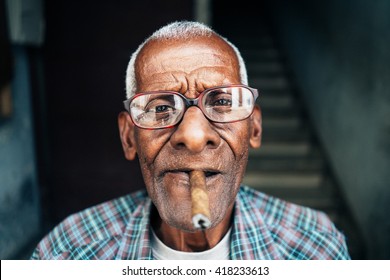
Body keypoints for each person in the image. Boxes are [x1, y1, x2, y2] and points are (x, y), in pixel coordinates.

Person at [31, 20, 350, 260]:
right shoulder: (68, 251)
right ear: (129, 137)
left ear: (254, 128)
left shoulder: (314, 247)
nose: (194, 137)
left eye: (223, 103)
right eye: (160, 108)